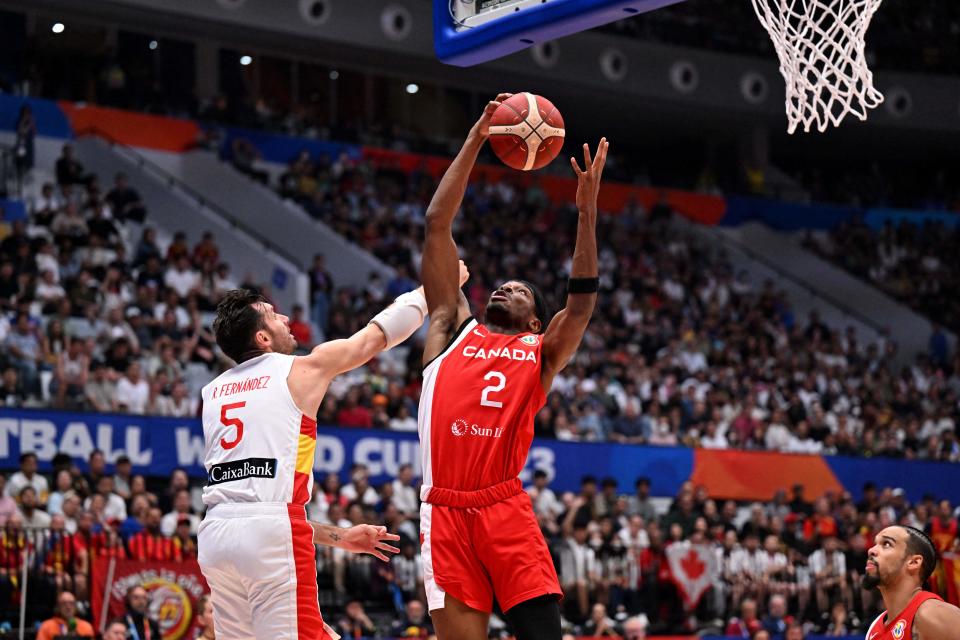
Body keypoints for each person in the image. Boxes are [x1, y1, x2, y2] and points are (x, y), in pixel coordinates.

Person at [417, 92, 608, 640]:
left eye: (521, 289)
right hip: (444, 513)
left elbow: (581, 302)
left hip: (503, 506)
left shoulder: (540, 352)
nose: (505, 285)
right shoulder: (449, 326)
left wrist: (587, 212)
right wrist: (477, 138)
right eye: (503, 284)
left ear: (533, 321)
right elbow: (436, 224)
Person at [197, 281, 460, 639]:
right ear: (263, 339)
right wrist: (430, 291)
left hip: (215, 537)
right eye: (274, 316)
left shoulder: (212, 392)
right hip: (268, 535)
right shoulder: (300, 369)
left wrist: (339, 537)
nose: (286, 318)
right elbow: (373, 339)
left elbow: (252, 508)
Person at [862, 525, 960, 639]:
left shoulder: (932, 614)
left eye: (886, 544)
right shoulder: (874, 627)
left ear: (914, 562)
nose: (871, 550)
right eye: (875, 543)